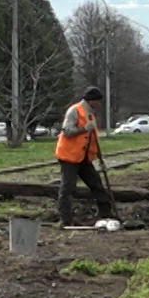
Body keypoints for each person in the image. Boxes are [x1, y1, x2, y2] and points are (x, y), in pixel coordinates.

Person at [55, 86, 118, 226]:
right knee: (67, 188)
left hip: (83, 157)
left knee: (96, 184)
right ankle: (64, 219)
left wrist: (99, 157)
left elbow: (92, 138)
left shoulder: (90, 114)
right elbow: (66, 131)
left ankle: (106, 214)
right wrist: (83, 128)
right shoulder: (75, 111)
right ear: (91, 101)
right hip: (69, 156)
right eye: (98, 101)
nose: (99, 104)